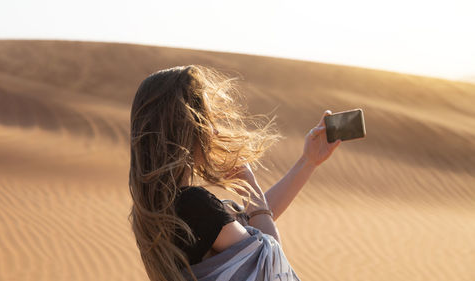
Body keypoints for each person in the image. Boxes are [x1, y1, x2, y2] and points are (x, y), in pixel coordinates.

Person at [128, 65, 342, 281]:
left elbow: (252, 227)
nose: (215, 131)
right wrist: (251, 186)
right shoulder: (193, 204)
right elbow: (270, 262)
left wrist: (308, 162)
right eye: (209, 120)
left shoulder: (160, 208)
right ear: (188, 128)